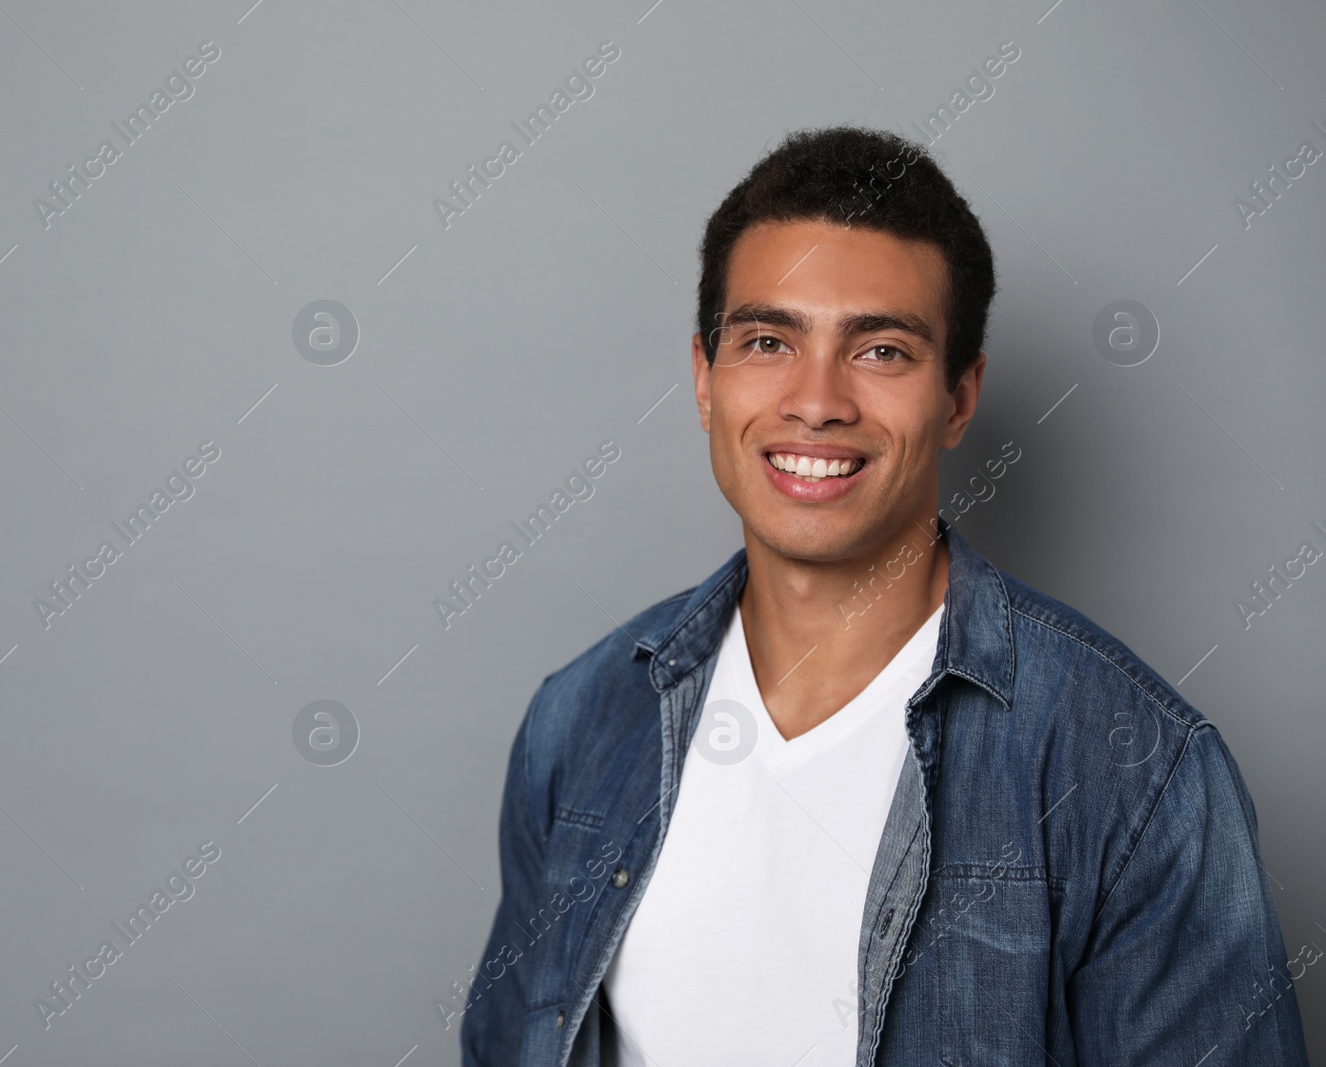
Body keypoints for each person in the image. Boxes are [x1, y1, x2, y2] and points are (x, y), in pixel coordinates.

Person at [457, 126, 1310, 1066]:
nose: (816, 400)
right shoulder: (581, 721)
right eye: (769, 339)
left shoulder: (1138, 771)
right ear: (706, 379)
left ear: (957, 397)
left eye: (882, 351)